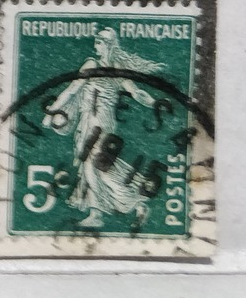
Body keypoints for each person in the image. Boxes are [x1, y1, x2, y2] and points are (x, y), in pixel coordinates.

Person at [42, 28, 164, 229]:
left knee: (92, 166)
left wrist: (154, 103)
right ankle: (132, 204)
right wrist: (155, 104)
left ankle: (102, 212)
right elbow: (137, 93)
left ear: (107, 44)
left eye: (98, 42)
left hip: (96, 124)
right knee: (104, 168)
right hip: (96, 123)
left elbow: (72, 90)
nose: (95, 46)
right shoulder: (114, 68)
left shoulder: (96, 65)